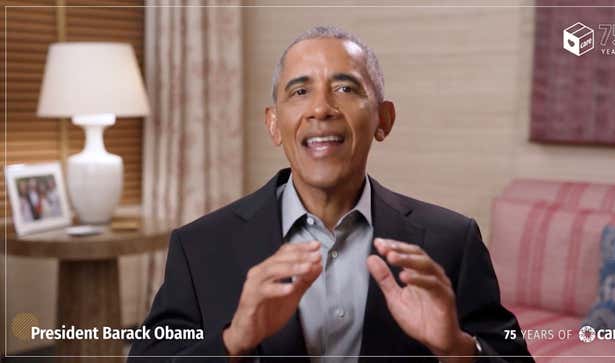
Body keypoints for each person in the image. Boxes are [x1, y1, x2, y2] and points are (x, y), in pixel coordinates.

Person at [129, 26, 533, 362]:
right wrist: (232, 342)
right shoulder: (200, 246)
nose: (321, 108)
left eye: (345, 88)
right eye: (300, 91)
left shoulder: (451, 241)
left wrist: (458, 349)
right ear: (273, 125)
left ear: (383, 119)